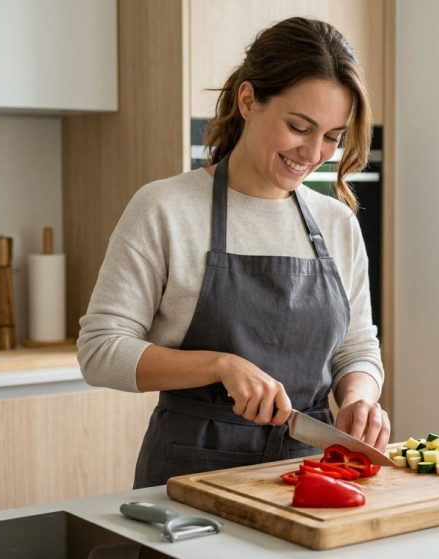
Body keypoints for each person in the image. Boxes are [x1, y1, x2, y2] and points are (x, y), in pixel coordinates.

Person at [78, 16, 389, 488]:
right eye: (299, 126)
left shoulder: (337, 223)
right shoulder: (165, 208)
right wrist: (220, 365)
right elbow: (100, 350)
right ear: (248, 100)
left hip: (313, 472)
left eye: (332, 136)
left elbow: (357, 348)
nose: (314, 152)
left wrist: (359, 398)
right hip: (190, 476)